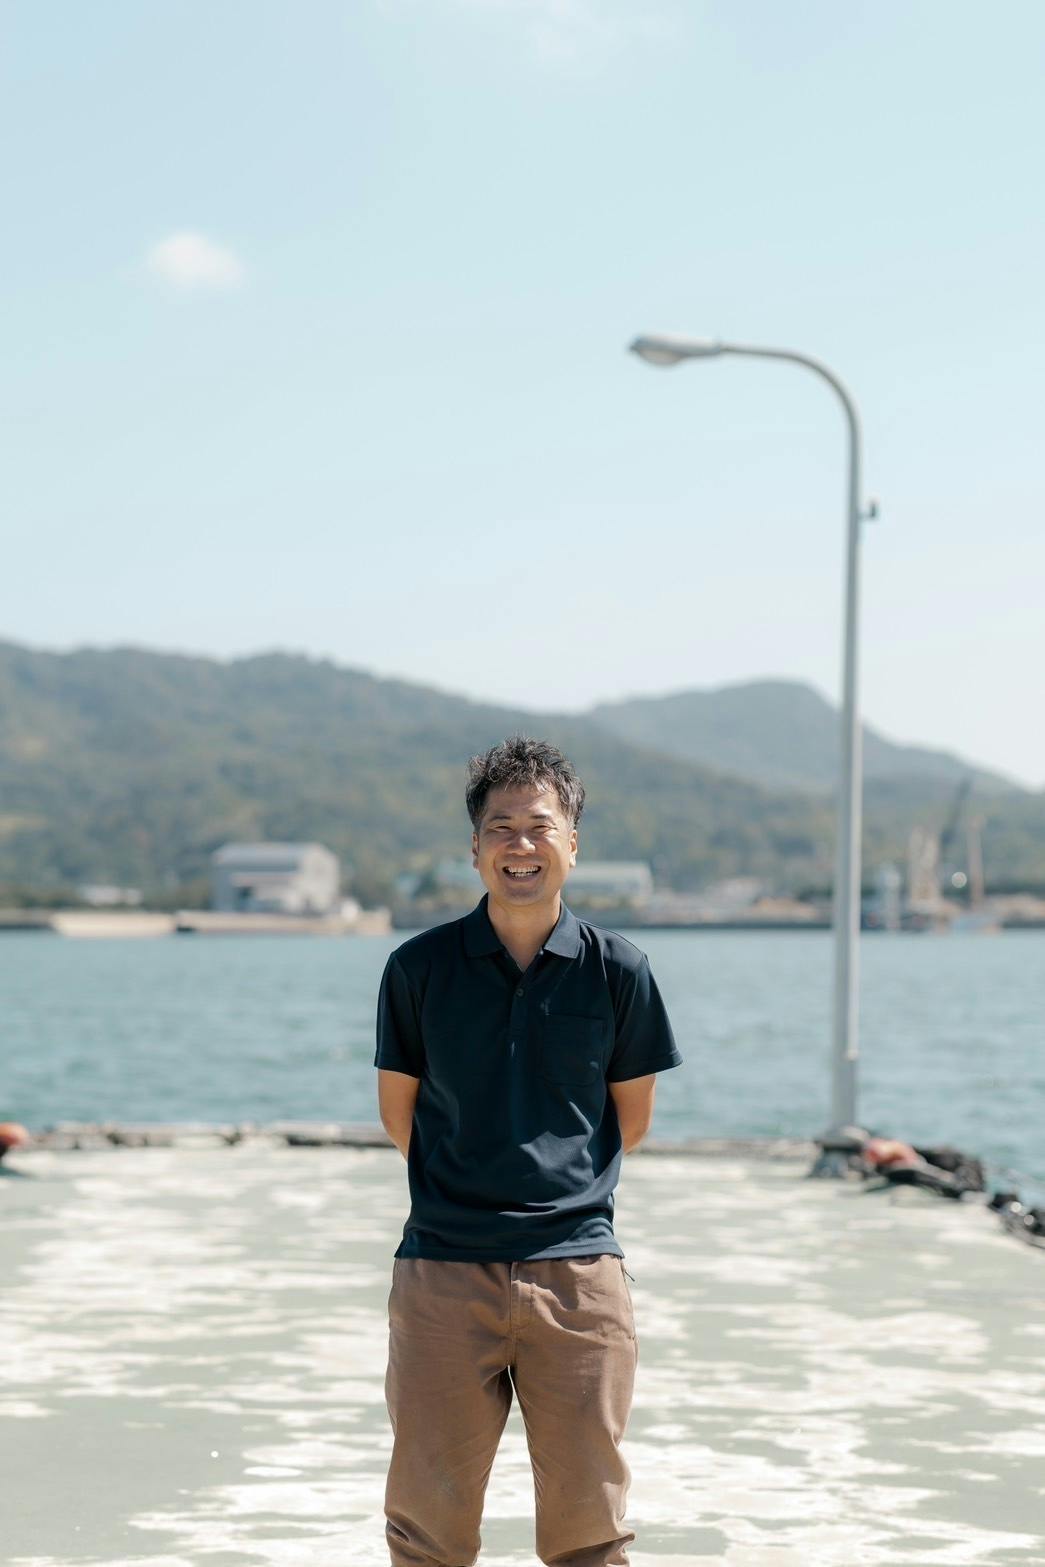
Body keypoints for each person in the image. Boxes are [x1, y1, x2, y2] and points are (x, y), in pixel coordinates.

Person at [374, 734, 683, 1566]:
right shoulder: (417, 968)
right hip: (442, 1271)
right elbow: (400, 1116)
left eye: (539, 826)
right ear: (474, 848)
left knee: (590, 1534)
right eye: (500, 827)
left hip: (578, 1274)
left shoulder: (619, 970)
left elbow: (630, 1121)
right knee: (426, 1534)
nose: (520, 844)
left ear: (571, 844)